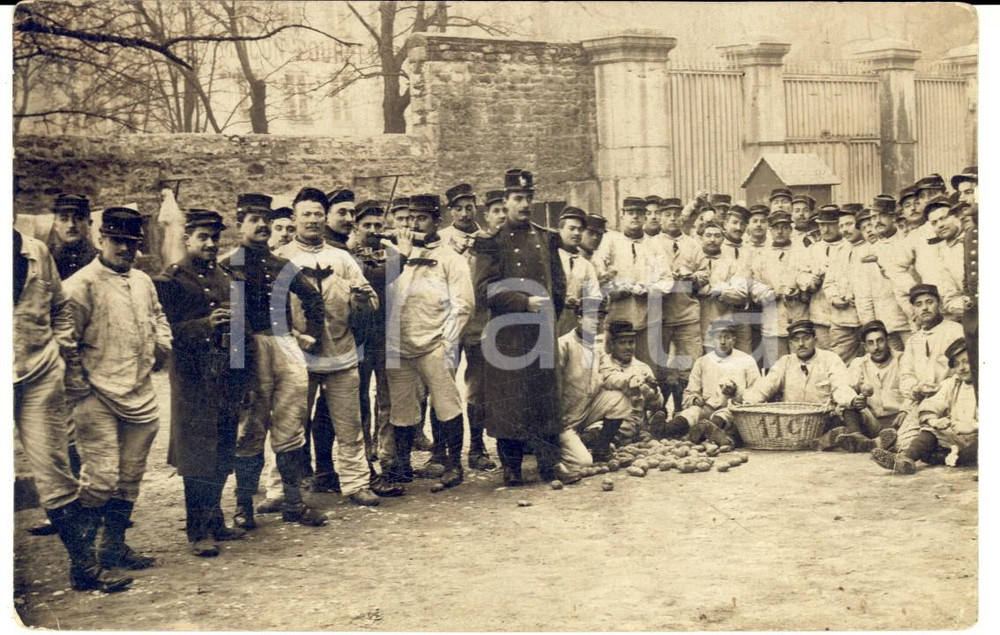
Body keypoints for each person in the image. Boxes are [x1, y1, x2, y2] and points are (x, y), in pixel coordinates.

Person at [15, 222, 131, 592]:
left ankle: (85, 567)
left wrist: (61, 353)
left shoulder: (34, 251)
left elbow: (60, 307)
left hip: (38, 373)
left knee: (55, 471)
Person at [60, 207, 172, 570]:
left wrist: (161, 346)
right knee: (101, 477)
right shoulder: (80, 285)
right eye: (118, 241)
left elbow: (158, 318)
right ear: (101, 239)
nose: (125, 249)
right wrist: (82, 391)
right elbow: (65, 342)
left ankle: (113, 546)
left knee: (129, 476)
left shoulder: (143, 281)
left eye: (131, 243)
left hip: (139, 394)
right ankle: (86, 557)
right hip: (97, 396)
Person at [221, 193, 329, 530]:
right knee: (250, 429)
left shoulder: (281, 265)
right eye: (253, 220)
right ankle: (244, 507)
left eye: (265, 219)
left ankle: (293, 502)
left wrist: (310, 334)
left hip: (285, 347)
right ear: (240, 225)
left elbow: (313, 297)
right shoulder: (229, 264)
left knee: (290, 425)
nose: (262, 226)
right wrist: (237, 364)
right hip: (250, 350)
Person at [274, 188, 383, 506]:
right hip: (297, 356)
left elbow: (369, 298)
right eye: (305, 214)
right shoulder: (281, 258)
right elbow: (269, 308)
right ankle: (282, 489)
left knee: (349, 425)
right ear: (294, 218)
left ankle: (355, 483)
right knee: (290, 424)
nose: (312, 220)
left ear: (325, 218)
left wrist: (360, 299)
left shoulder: (342, 258)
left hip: (341, 352)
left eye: (318, 214)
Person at [154, 209, 251, 557]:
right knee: (197, 457)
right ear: (187, 239)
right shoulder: (172, 281)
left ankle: (216, 520)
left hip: (226, 380)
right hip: (193, 383)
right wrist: (205, 324)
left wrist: (244, 379)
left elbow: (242, 332)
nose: (210, 244)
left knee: (224, 451)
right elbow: (165, 334)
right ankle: (198, 531)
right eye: (202, 238)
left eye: (214, 238)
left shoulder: (227, 276)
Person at [474, 169, 566, 486]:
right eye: (518, 198)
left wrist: (549, 317)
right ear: (506, 200)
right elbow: (484, 290)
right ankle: (511, 466)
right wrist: (523, 303)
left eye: (528, 197)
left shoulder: (545, 238)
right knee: (509, 400)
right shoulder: (491, 243)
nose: (524, 204)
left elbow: (559, 287)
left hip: (541, 333)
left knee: (544, 397)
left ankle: (548, 464)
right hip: (508, 334)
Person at [385, 194, 474, 490]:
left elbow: (463, 305)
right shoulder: (394, 256)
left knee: (446, 404)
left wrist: (446, 341)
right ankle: (401, 466)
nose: (413, 225)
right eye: (409, 219)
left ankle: (452, 464)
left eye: (421, 219)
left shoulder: (451, 259)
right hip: (399, 346)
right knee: (402, 408)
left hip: (435, 344)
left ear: (436, 221)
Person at [742, 320, 861, 448]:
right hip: (792, 425)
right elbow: (765, 387)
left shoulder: (830, 359)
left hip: (822, 421)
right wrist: (748, 401)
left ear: (815, 339)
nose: (801, 344)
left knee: (848, 409)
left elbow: (840, 385)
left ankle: (856, 438)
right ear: (790, 343)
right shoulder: (785, 362)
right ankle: (826, 441)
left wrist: (851, 399)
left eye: (806, 338)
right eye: (796, 340)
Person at [593, 196, 671, 384]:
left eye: (639, 213)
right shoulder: (610, 241)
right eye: (630, 212)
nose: (635, 216)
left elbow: (667, 279)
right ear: (622, 215)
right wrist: (615, 289)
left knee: (647, 370)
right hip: (617, 318)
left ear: (645, 217)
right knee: (612, 370)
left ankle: (647, 412)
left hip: (646, 318)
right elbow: (597, 272)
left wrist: (650, 290)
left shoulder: (653, 245)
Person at [872, 338, 976, 474]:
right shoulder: (953, 383)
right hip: (958, 437)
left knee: (972, 451)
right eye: (956, 364)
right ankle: (905, 459)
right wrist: (935, 421)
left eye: (966, 362)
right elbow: (931, 404)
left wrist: (973, 426)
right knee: (929, 433)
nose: (961, 368)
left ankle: (945, 458)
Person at [555, 299, 629, 478]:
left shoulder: (596, 347)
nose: (597, 321)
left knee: (621, 400)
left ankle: (600, 449)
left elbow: (609, 374)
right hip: (561, 419)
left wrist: (630, 380)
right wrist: (554, 416)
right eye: (592, 317)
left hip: (584, 411)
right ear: (579, 318)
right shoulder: (564, 344)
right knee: (583, 463)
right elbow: (551, 385)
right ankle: (552, 452)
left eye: (601, 317)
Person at [655, 323, 761, 447]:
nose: (722, 342)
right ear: (712, 340)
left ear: (734, 339)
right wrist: (695, 400)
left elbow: (757, 393)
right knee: (691, 413)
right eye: (718, 337)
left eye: (726, 337)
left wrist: (736, 394)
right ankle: (663, 431)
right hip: (706, 407)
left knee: (723, 416)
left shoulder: (747, 361)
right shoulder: (702, 362)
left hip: (733, 409)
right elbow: (689, 393)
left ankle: (703, 433)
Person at [460, 189, 506, 472]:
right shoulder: (479, 246)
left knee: (508, 388)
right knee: (478, 387)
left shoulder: (518, 243)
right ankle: (476, 448)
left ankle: (511, 444)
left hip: (512, 329)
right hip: (481, 325)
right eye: (496, 211)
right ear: (486, 216)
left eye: (504, 210)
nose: (501, 215)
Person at [893, 284, 965, 453]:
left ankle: (943, 451)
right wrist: (916, 388)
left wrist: (942, 387)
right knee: (902, 445)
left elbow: (965, 370)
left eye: (929, 302)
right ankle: (936, 451)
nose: (924, 308)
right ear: (914, 310)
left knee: (947, 434)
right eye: (918, 304)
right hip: (922, 402)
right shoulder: (913, 341)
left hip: (953, 399)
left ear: (938, 304)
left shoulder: (955, 331)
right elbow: (906, 376)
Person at [650, 197, 705, 413]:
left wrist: (693, 277)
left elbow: (704, 272)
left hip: (687, 313)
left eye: (675, 214)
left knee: (688, 366)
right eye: (667, 214)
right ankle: (660, 411)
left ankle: (683, 411)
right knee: (660, 366)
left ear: (681, 217)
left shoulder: (692, 244)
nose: (672, 219)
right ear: (661, 218)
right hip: (659, 314)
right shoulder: (651, 244)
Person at [748, 210, 809, 369]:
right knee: (777, 369)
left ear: (791, 229)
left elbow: (810, 280)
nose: (780, 231)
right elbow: (754, 285)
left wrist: (800, 291)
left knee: (801, 365)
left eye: (784, 227)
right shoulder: (762, 256)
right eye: (776, 228)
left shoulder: (803, 253)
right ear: (770, 230)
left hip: (798, 316)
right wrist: (767, 294)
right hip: (772, 321)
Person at [853, 198, 913, 352]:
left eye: (883, 216)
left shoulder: (908, 242)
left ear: (893, 217)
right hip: (885, 327)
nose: (877, 221)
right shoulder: (870, 252)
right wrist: (870, 326)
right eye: (874, 217)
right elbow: (864, 294)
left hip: (911, 323)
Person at [597, 320, 665, 448]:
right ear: (612, 344)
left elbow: (656, 405)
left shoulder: (642, 367)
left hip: (635, 422)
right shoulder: (603, 364)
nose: (628, 347)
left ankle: (645, 433)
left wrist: (653, 391)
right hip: (608, 421)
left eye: (631, 342)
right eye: (622, 343)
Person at [695, 221, 749, 355]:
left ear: (723, 238)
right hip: (695, 322)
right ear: (701, 238)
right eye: (708, 235)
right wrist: (723, 286)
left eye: (717, 236)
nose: (712, 240)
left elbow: (741, 293)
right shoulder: (693, 260)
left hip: (722, 321)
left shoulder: (732, 263)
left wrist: (719, 290)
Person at [796, 205, 843, 350]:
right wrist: (811, 282)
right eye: (822, 225)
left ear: (839, 225)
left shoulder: (847, 247)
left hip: (844, 315)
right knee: (823, 357)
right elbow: (800, 273)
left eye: (831, 225)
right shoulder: (813, 249)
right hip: (820, 313)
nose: (826, 230)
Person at [821, 206, 863, 363]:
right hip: (842, 320)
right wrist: (835, 298)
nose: (845, 229)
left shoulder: (870, 248)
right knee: (838, 363)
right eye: (842, 226)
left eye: (849, 224)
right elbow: (829, 282)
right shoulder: (840, 251)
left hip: (866, 319)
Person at [555, 206, 601, 337]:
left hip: (576, 325)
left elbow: (595, 295)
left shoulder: (586, 265)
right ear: (560, 230)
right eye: (571, 228)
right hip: (550, 321)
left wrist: (582, 302)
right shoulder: (550, 258)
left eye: (580, 229)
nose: (576, 233)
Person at [923, 197, 969, 323]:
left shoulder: (975, 236)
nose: (940, 225)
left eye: (943, 218)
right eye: (934, 223)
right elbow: (949, 297)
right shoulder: (942, 253)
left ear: (957, 216)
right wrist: (969, 306)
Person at [48, 194, 99, 280]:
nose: (71, 225)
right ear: (55, 225)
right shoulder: (47, 260)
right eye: (64, 219)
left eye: (79, 218)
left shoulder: (99, 259)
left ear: (89, 223)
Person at [439, 183, 481, 265]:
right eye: (458, 209)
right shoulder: (441, 239)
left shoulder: (488, 239)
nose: (464, 214)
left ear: (476, 208)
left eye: (469, 208)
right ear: (450, 211)